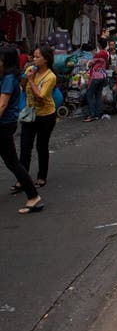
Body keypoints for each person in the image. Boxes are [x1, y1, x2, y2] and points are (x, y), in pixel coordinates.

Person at [0, 46, 43, 213]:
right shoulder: (5, 77)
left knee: (13, 162)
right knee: (12, 162)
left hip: (4, 125)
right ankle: (33, 196)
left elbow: (2, 105)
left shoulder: (9, 79)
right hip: (5, 124)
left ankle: (33, 197)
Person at [19, 45, 57, 188]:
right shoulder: (32, 72)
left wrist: (30, 80)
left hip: (45, 116)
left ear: (46, 59)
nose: (33, 59)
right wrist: (26, 76)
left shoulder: (50, 76)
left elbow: (41, 96)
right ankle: (22, 178)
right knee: (25, 147)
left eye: (37, 57)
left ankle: (42, 176)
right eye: (33, 56)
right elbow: (24, 88)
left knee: (41, 146)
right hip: (29, 113)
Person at [84, 37, 109, 122]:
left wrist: (88, 62)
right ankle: (98, 114)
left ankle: (91, 115)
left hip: (96, 76)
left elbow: (90, 64)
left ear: (99, 44)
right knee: (98, 95)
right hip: (103, 75)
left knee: (89, 94)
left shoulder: (99, 54)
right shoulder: (106, 53)